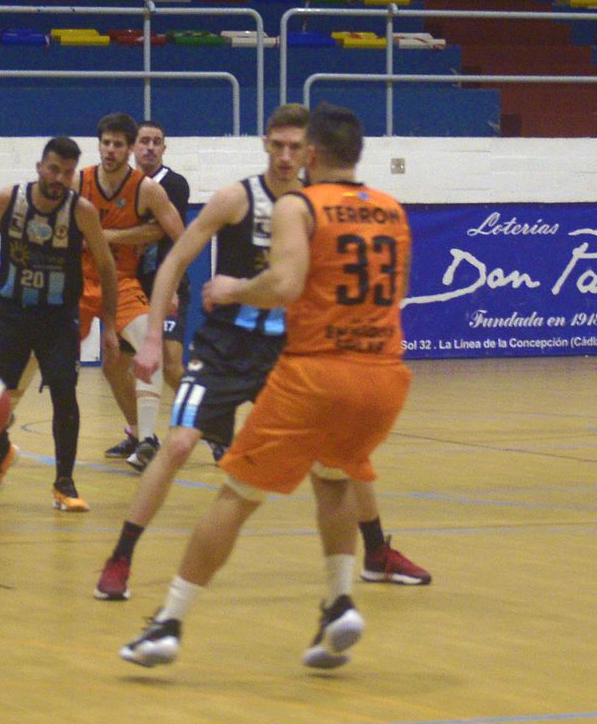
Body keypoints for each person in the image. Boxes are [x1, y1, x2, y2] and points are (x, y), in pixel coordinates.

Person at [121, 103, 414, 669]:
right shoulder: (392, 210)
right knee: (333, 479)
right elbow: (395, 292)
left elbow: (284, 284)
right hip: (384, 377)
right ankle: (338, 602)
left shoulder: (299, 206)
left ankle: (169, 623)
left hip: (317, 373)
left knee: (237, 495)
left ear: (311, 155)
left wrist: (231, 289)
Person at [0, 137, 121, 510]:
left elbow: (107, 267)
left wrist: (110, 325)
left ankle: (64, 483)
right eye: (53, 169)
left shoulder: (81, 211)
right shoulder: (8, 199)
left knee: (65, 395)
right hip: (10, 310)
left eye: (68, 172)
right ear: (39, 167)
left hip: (57, 317)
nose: (59, 178)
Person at [76, 113, 185, 471]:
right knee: (40, 352)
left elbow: (179, 237)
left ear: (129, 148)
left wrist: (171, 286)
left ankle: (150, 439)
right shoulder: (81, 181)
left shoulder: (148, 188)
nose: (110, 150)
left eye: (118, 144)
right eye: (105, 143)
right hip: (77, 280)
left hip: (120, 280)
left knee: (151, 350)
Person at [133, 119, 191, 399]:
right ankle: (138, 433)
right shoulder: (124, 185)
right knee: (123, 364)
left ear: (164, 148)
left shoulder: (174, 184)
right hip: (132, 285)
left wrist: (174, 288)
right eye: (144, 141)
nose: (150, 148)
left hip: (166, 283)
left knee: (171, 365)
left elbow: (163, 231)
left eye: (156, 142)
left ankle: (206, 422)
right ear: (133, 146)